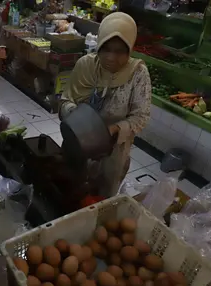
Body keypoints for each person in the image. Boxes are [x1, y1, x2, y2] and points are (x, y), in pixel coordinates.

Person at [59, 12, 152, 197]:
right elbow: (65, 101)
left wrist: (114, 129)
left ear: (130, 49)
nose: (111, 57)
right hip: (77, 143)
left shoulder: (138, 74)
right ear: (99, 45)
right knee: (70, 189)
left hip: (113, 151)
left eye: (120, 51)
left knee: (102, 196)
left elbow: (141, 116)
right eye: (106, 49)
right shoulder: (85, 66)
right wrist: (78, 118)